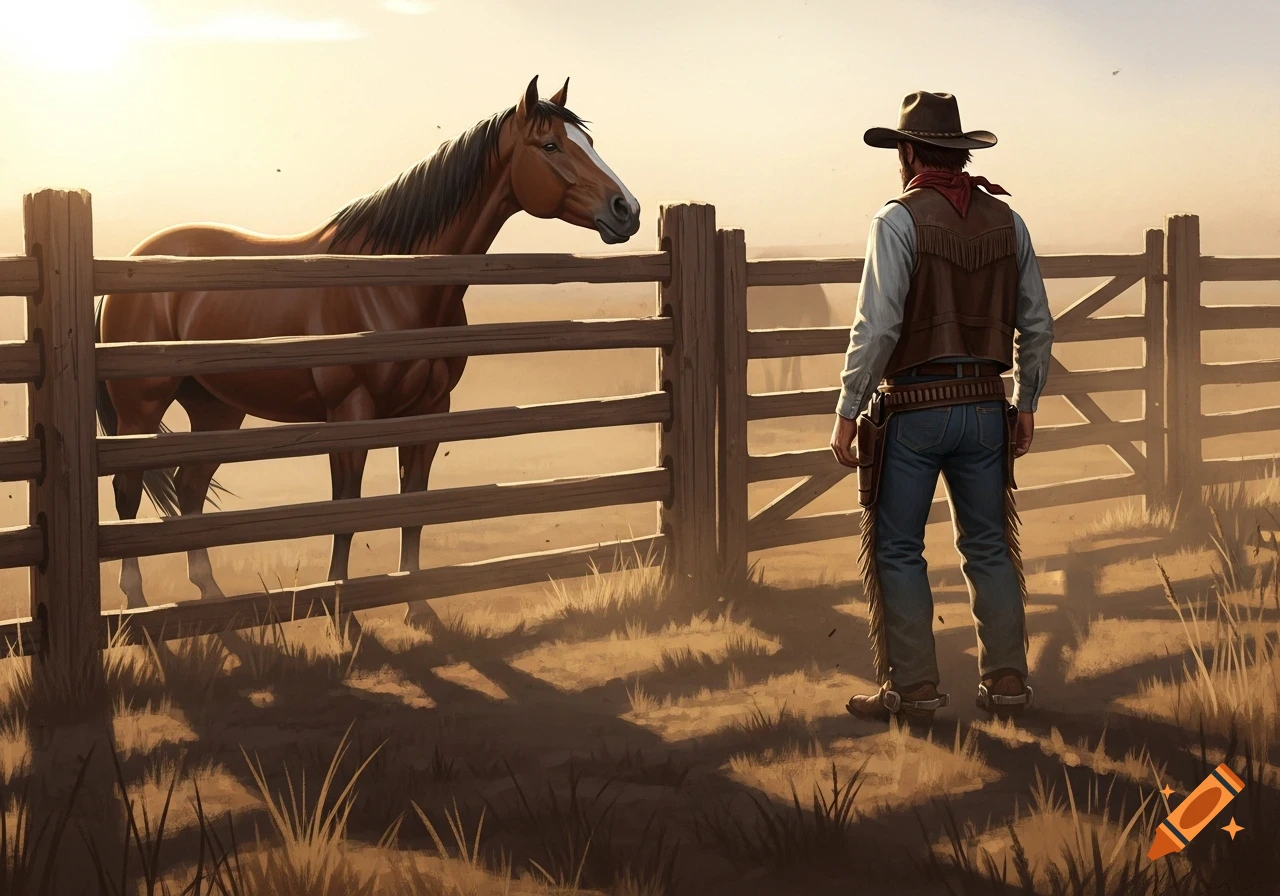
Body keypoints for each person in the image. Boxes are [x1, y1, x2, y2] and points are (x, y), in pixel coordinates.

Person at [829, 91, 1054, 724]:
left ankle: (915, 689)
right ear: (958, 153)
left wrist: (848, 408)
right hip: (985, 409)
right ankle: (1006, 681)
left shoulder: (896, 220)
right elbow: (1037, 323)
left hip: (913, 410)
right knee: (988, 547)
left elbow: (877, 328)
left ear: (907, 152)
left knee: (899, 549)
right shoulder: (1008, 221)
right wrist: (1025, 402)